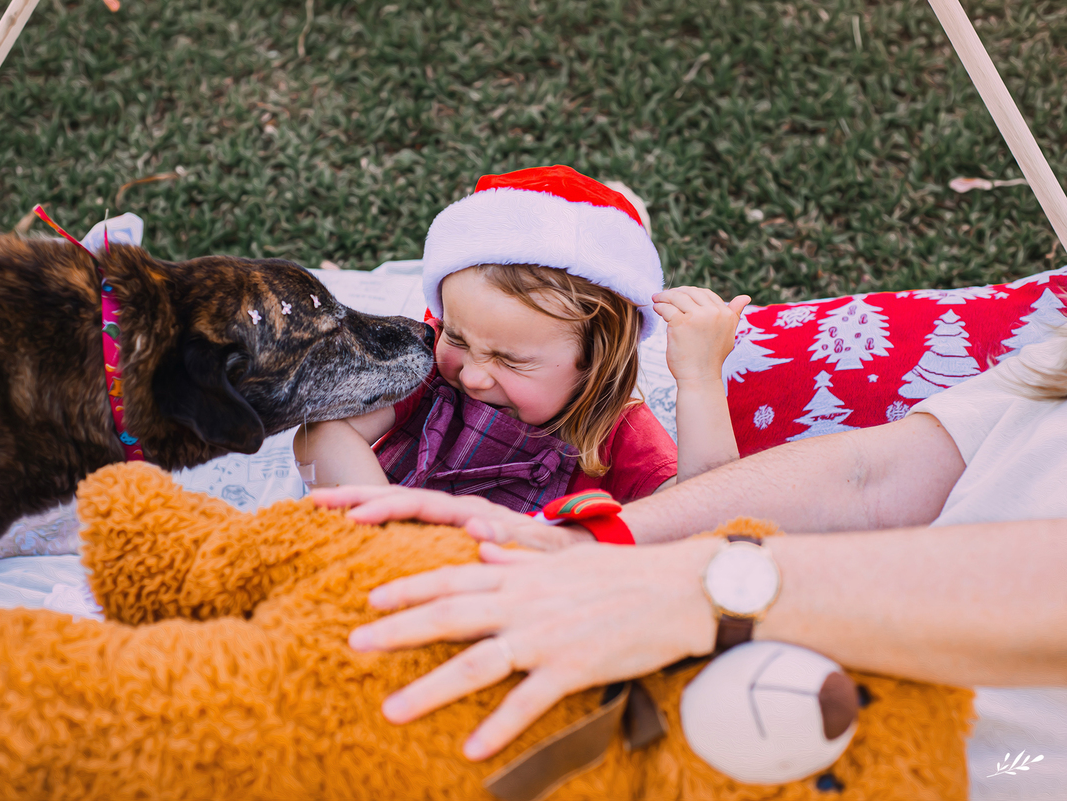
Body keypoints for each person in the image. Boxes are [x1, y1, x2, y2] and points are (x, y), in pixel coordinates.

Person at [311, 334, 1067, 795]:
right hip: (762, 675)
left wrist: (708, 584)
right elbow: (869, 477)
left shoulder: (624, 438)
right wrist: (596, 544)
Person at [294, 165, 749, 509]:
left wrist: (700, 380)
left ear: (598, 362)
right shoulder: (429, 365)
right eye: (457, 335)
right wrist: (385, 532)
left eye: (510, 361)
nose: (472, 375)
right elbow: (321, 432)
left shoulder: (618, 435)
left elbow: (708, 516)